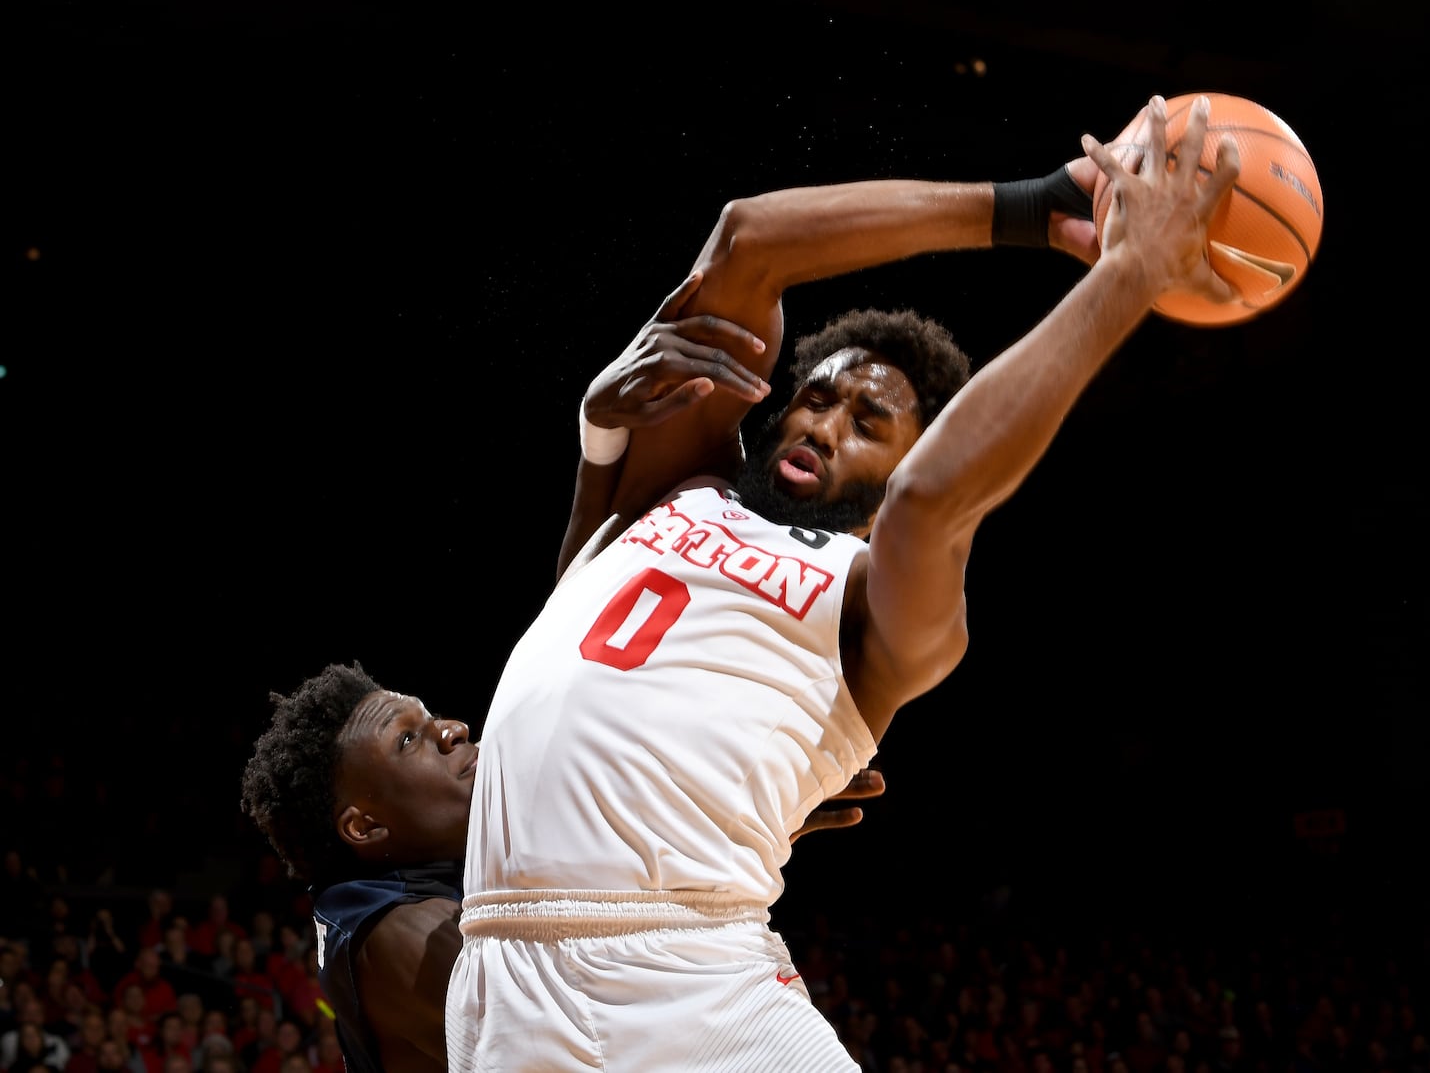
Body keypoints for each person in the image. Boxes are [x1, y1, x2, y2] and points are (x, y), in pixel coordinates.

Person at [445, 92, 1241, 1072]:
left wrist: (1129, 274)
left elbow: (931, 496)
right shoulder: (675, 483)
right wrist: (1029, 205)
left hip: (692, 974)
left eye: (868, 421)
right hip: (502, 975)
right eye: (817, 398)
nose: (824, 425)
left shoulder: (872, 600)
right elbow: (746, 242)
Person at [241, 278, 893, 1073]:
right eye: (411, 740)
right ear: (366, 828)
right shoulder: (393, 942)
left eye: (426, 715)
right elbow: (614, 1001)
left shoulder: (470, 877)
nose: (452, 728)